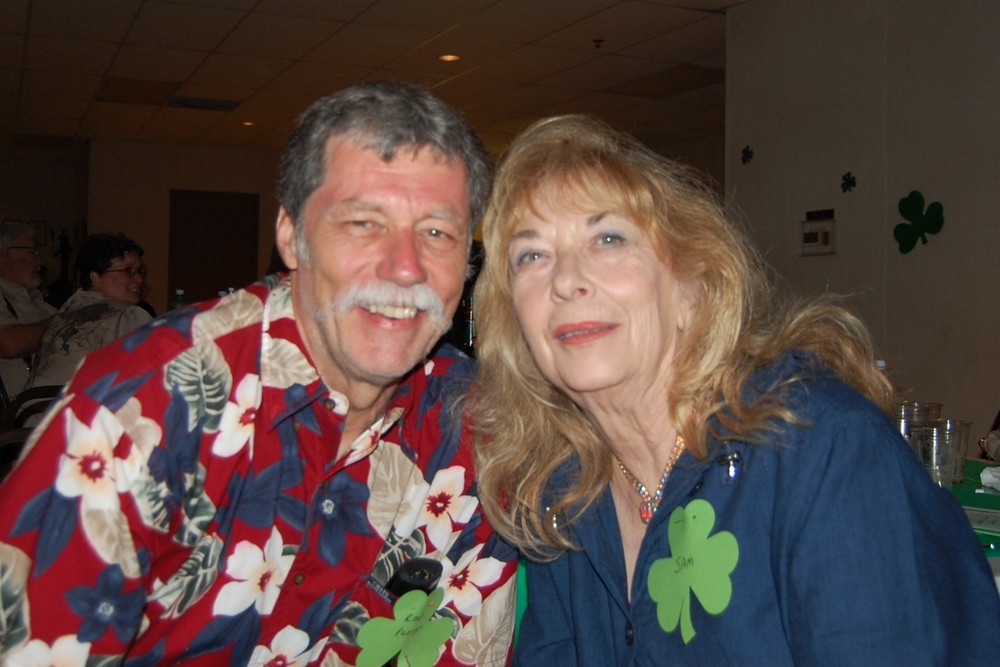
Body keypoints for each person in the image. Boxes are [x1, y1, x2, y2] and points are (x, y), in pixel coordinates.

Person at [0, 81, 517, 666]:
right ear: (291, 237)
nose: (405, 268)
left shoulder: (477, 429)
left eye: (437, 232)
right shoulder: (144, 407)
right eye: (362, 222)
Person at [468, 115, 1000, 665]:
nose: (564, 279)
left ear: (691, 287)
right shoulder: (565, 492)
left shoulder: (823, 451)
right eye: (531, 255)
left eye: (608, 238)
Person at [26, 232, 152, 390]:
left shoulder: (67, 310)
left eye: (140, 271)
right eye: (128, 271)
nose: (139, 279)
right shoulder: (129, 315)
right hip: (73, 404)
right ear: (96, 278)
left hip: (34, 404)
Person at [0, 221, 56, 404]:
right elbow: (8, 343)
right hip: (15, 413)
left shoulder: (37, 301)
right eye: (34, 252)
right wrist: (63, 321)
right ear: (7, 254)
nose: (40, 262)